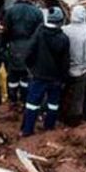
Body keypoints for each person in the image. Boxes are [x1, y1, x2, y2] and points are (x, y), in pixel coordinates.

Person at [22, 8, 70, 136]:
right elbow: (65, 62)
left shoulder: (40, 33)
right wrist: (63, 78)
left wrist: (30, 67)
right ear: (61, 21)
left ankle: (27, 130)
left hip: (38, 76)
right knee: (53, 104)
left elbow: (29, 51)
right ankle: (49, 128)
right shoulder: (63, 38)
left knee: (32, 103)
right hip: (56, 78)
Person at [1, 0, 44, 105]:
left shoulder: (11, 10)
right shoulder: (37, 12)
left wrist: (3, 46)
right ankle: (24, 100)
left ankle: (13, 100)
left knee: (13, 75)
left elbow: (5, 31)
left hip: (13, 47)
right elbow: (39, 33)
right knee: (26, 76)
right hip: (30, 48)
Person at [62, 5, 86, 127]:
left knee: (64, 95)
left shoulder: (64, 29)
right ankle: (75, 124)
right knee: (78, 99)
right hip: (80, 72)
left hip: (65, 70)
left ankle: (61, 120)